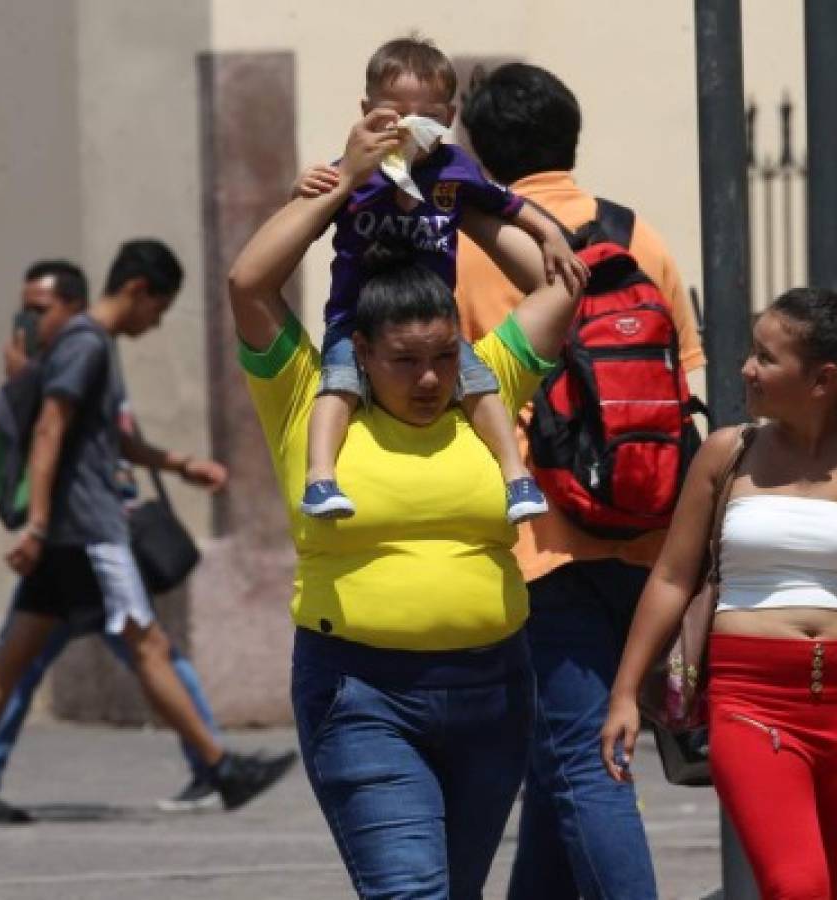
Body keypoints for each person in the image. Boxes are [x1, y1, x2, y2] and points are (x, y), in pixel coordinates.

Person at [228, 108, 586, 898]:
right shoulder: (308, 394)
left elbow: (558, 284)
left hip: (495, 692)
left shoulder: (484, 384)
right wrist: (346, 182)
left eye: (441, 357)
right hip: (361, 696)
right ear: (360, 352)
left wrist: (462, 196)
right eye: (404, 361)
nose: (429, 379)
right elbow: (249, 282)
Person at [601, 286, 837, 899]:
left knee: (820, 888)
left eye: (765, 357)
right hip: (751, 702)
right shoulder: (729, 453)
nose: (746, 369)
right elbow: (671, 577)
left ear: (822, 379)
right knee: (798, 885)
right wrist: (623, 693)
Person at [453, 62, 706, 900]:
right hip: (649, 531)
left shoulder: (471, 247)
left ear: (480, 149)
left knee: (586, 762)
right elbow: (689, 383)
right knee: (555, 765)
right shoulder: (641, 236)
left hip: (541, 541)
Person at [0, 240, 296, 823]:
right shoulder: (86, 343)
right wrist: (39, 524)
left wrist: (177, 464)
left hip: (65, 534)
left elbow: (104, 437)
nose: (154, 323)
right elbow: (51, 430)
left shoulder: (78, 345)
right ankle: (220, 769)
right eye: (158, 308)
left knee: (14, 655)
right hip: (89, 531)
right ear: (136, 291)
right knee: (147, 645)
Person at [288, 35, 585, 525]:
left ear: (448, 118)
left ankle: (515, 476)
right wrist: (311, 185)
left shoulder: (454, 169)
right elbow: (301, 214)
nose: (407, 125)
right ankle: (321, 476)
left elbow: (507, 203)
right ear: (366, 111)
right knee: (336, 387)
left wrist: (550, 235)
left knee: (480, 386)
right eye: (393, 112)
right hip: (356, 320)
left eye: (425, 114)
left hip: (433, 322)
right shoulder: (355, 169)